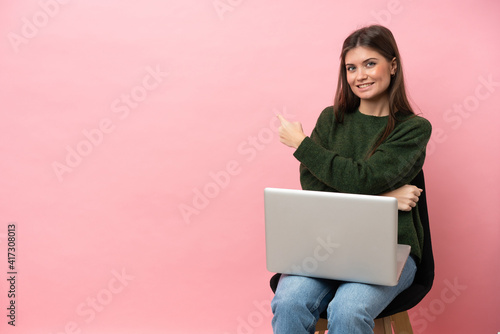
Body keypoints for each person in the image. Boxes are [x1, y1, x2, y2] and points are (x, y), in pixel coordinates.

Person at [271, 25, 432, 334]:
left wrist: (303, 146)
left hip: (391, 249)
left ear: (393, 65)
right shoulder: (331, 119)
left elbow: (365, 179)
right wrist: (384, 200)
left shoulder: (413, 129)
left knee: (348, 309)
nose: (361, 75)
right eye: (351, 67)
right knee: (289, 302)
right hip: (326, 247)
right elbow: (315, 188)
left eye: (370, 63)